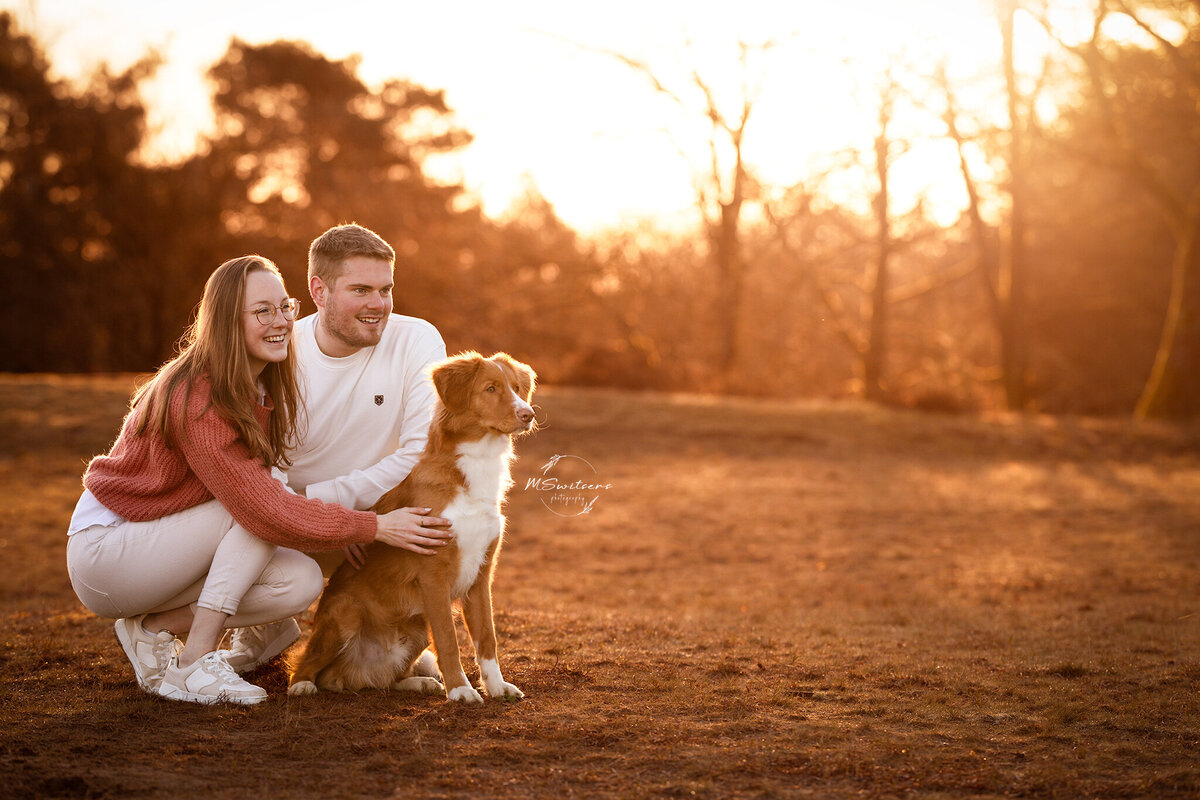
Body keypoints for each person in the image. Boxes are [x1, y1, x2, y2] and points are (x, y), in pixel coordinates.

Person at [65, 255, 452, 705]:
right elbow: (262, 505)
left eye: (284, 307)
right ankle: (194, 662)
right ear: (228, 322)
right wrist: (372, 524)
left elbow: (270, 488)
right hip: (108, 552)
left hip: (168, 545)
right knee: (252, 512)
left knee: (298, 581)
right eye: (262, 311)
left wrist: (335, 521)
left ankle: (153, 629)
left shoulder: (265, 385)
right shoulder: (197, 396)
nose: (283, 321)